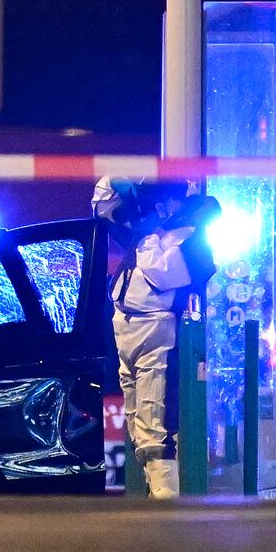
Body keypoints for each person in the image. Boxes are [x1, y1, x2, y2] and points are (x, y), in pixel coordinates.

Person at [93, 177, 218, 498]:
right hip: (125, 326)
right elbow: (102, 205)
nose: (160, 206)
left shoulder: (189, 235)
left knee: (156, 415)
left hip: (157, 330)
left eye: (167, 200)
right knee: (136, 418)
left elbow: (165, 274)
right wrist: (124, 185)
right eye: (156, 200)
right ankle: (157, 491)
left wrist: (148, 233)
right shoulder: (152, 229)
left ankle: (166, 494)